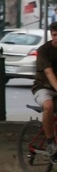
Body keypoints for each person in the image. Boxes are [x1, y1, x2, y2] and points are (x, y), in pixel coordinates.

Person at [32, 21, 57, 155]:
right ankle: (50, 143)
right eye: (54, 35)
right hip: (43, 87)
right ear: (51, 35)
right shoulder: (44, 51)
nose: (56, 38)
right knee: (48, 106)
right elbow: (49, 73)